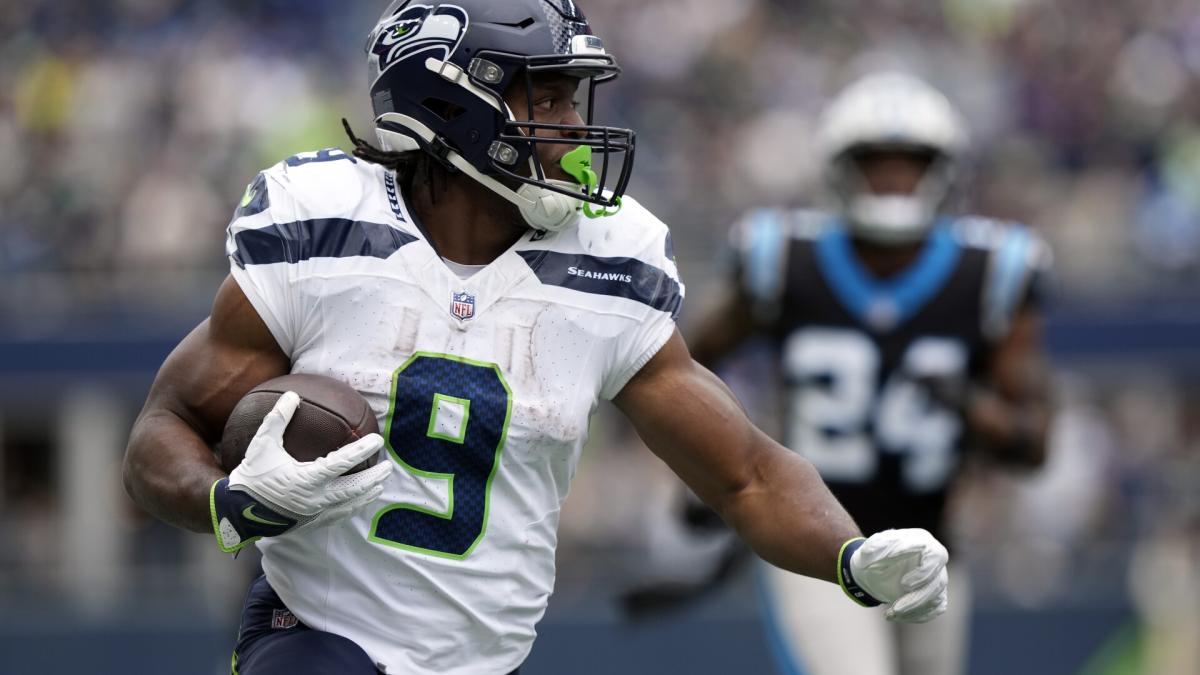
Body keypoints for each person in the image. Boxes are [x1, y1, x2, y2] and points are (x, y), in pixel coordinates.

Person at [122, 3, 951, 674]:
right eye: (545, 98)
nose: (569, 125)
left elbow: (746, 475)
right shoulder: (327, 226)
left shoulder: (607, 262)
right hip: (317, 630)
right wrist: (226, 502)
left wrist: (850, 554)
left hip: (486, 657)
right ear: (448, 102)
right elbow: (161, 430)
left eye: (570, 98)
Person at [682, 72, 1053, 675]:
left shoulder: (990, 273)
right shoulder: (783, 260)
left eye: (910, 163)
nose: (893, 177)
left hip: (933, 548)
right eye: (875, 162)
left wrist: (969, 405)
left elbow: (1034, 444)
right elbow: (683, 369)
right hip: (812, 543)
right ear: (840, 168)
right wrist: (719, 473)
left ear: (943, 170)